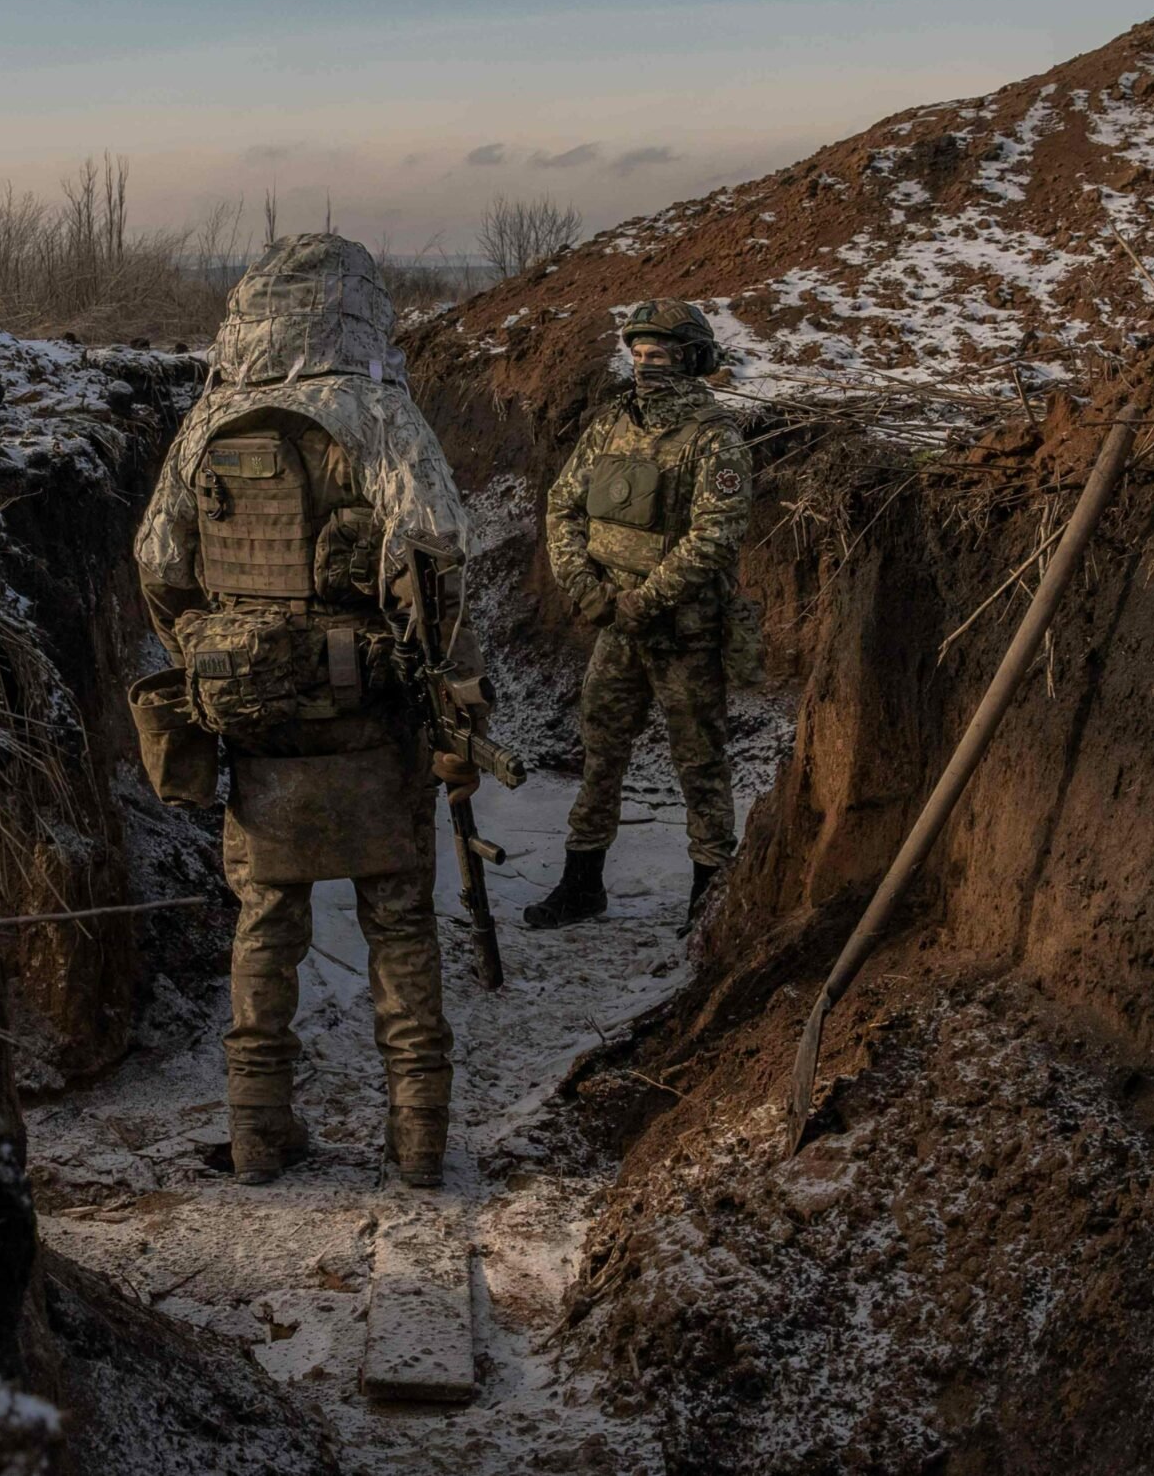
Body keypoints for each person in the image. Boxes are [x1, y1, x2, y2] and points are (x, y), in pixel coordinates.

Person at [133, 234, 486, 1188]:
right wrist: (454, 701)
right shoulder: (381, 412)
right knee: (401, 924)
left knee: (264, 924)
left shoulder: (210, 421)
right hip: (370, 721)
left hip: (259, 728)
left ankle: (258, 1135)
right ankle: (418, 1145)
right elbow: (439, 558)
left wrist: (222, 660)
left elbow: (159, 567)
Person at [527, 298, 747, 928]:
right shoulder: (610, 426)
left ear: (693, 360)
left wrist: (641, 603)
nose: (646, 366)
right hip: (618, 630)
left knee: (700, 764)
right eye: (639, 354)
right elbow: (562, 506)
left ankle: (710, 904)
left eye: (661, 355)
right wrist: (583, 586)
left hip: (685, 631)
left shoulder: (714, 437)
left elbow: (715, 537)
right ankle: (582, 883)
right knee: (600, 752)